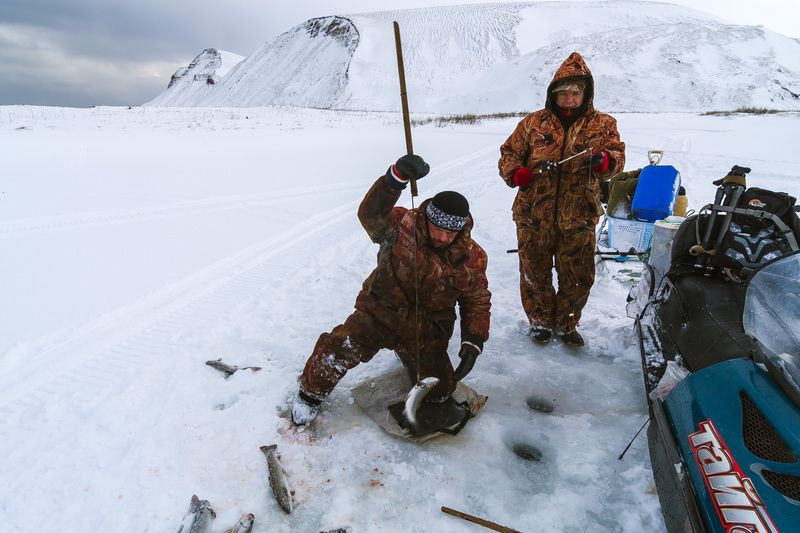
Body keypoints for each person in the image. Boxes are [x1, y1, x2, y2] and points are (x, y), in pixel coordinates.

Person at [291, 155, 491, 425]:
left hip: (427, 328)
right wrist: (394, 179)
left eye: (450, 232)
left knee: (439, 391)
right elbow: (369, 214)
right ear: (428, 217)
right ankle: (309, 395)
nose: (443, 237)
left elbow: (476, 299)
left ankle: (411, 356)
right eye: (438, 228)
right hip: (379, 312)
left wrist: (473, 340)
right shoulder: (401, 224)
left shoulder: (473, 256)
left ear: (462, 227)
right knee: (337, 349)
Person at [498, 51, 625, 347]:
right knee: (534, 272)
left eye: (575, 92)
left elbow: (618, 158)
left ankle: (567, 324)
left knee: (578, 276)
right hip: (533, 214)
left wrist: (606, 161)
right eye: (563, 92)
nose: (568, 98)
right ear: (552, 94)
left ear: (586, 93)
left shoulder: (604, 124)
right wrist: (517, 173)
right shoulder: (533, 123)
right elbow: (509, 153)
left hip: (579, 215)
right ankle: (540, 322)